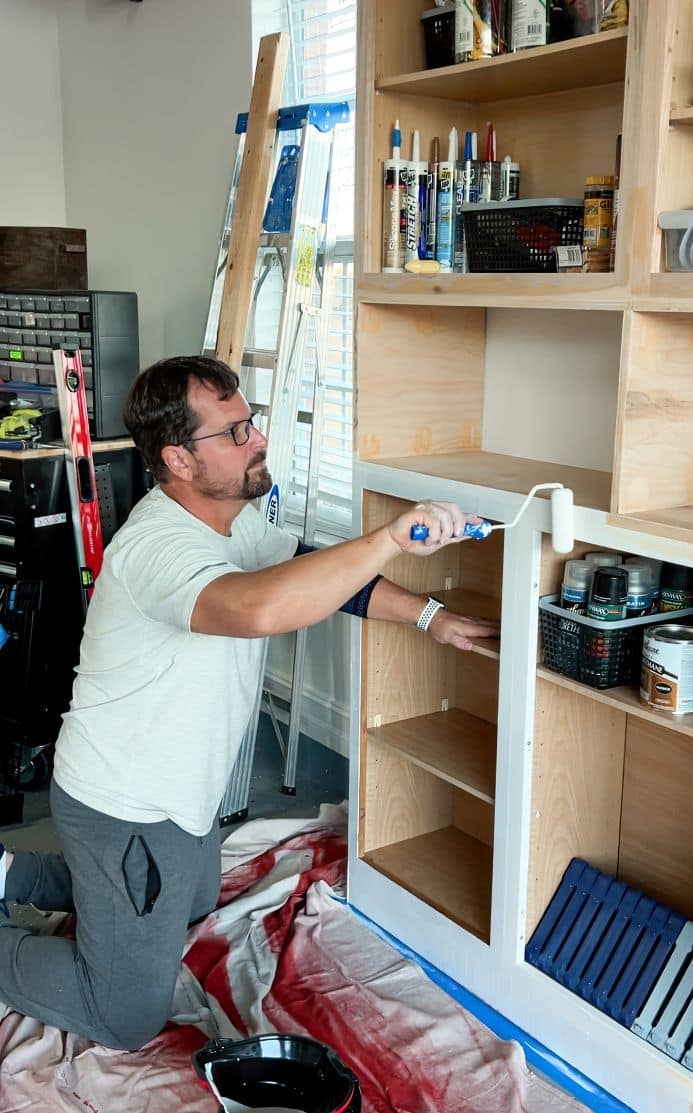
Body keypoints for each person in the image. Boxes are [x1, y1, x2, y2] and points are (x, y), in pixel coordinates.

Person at [0, 355, 497, 1050]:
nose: (258, 438)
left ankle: (13, 873)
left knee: (195, 902)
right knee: (124, 1015)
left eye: (251, 422)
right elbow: (259, 608)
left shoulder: (235, 521)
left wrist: (429, 616)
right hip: (125, 803)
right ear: (179, 457)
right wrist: (387, 538)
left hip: (178, 798)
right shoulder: (156, 546)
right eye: (235, 432)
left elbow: (311, 572)